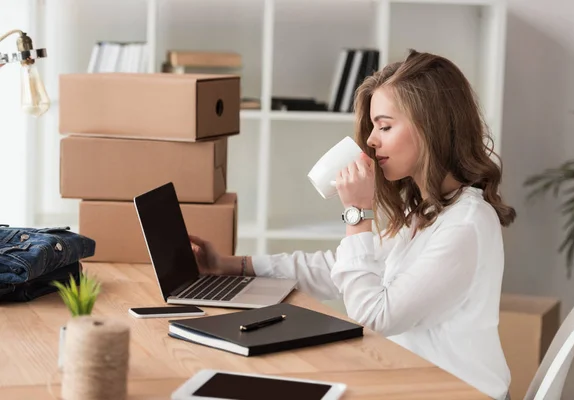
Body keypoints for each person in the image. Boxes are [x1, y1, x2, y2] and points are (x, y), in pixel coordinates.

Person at [189, 49, 516, 400]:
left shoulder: (465, 224)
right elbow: (339, 269)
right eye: (374, 126)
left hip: (457, 392)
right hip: (414, 382)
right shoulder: (428, 211)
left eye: (385, 126)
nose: (372, 140)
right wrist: (234, 266)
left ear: (432, 129)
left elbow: (375, 315)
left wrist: (358, 214)